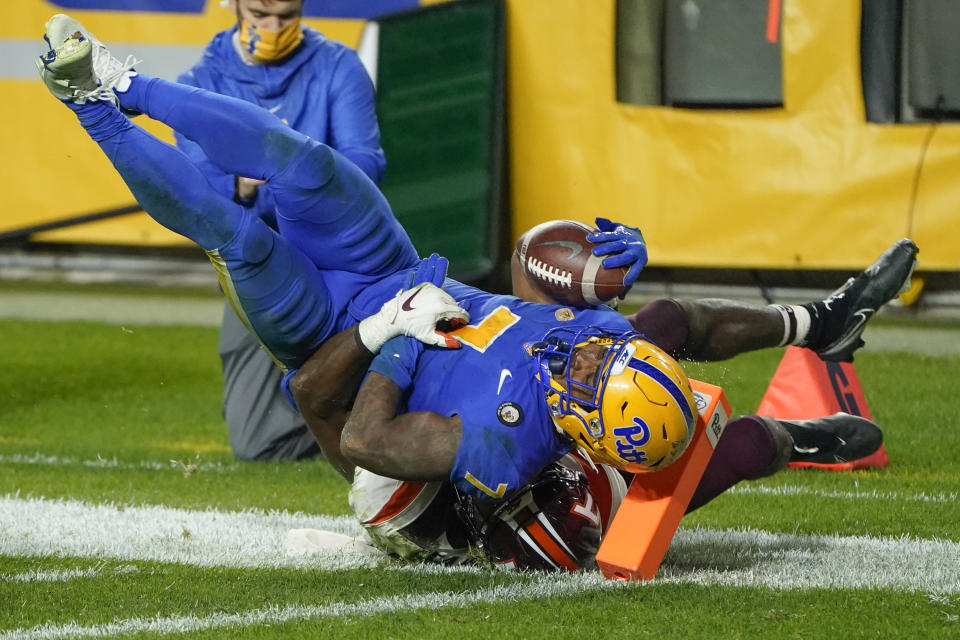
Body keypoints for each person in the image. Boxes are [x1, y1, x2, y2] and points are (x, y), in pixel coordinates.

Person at [37, 13, 916, 536]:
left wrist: (391, 336)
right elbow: (588, 312)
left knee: (239, 236)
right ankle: (817, 323)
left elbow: (362, 442)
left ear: (580, 424)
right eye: (602, 355)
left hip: (344, 340)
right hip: (394, 269)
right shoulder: (606, 350)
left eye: (587, 374)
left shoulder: (505, 442)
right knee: (305, 164)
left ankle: (89, 109)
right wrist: (603, 275)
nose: (586, 356)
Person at [176, 0, 386, 462]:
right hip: (258, 263)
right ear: (233, 5)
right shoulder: (198, 84)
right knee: (259, 445)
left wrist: (273, 173)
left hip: (341, 256)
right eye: (259, 15)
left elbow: (366, 163)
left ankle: (385, 423)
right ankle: (354, 426)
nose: (273, 27)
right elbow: (200, 193)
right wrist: (252, 184)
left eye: (287, 16)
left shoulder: (337, 65)